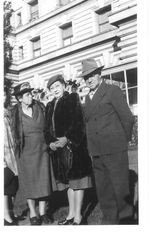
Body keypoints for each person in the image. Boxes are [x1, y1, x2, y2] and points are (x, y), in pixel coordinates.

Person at [81, 58, 134, 224]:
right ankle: (110, 221)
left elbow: (128, 118)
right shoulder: (86, 99)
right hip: (96, 151)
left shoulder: (112, 90)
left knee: (121, 189)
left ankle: (126, 221)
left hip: (115, 149)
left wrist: (121, 141)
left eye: (91, 75)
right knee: (104, 191)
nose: (89, 79)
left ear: (99, 74)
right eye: (86, 77)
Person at [45, 74, 92, 225]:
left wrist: (67, 138)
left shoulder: (72, 98)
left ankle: (78, 216)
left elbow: (78, 123)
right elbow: (46, 129)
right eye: (52, 88)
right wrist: (50, 143)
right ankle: (71, 215)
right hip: (59, 151)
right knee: (69, 185)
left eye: (57, 86)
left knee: (78, 184)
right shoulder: (49, 105)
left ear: (64, 86)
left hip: (75, 149)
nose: (55, 90)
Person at [11, 82, 51, 225]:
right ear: (20, 98)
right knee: (29, 183)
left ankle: (43, 212)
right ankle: (33, 214)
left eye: (31, 94)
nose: (31, 97)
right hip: (25, 153)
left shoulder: (40, 107)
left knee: (43, 182)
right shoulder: (15, 113)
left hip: (42, 150)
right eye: (27, 95)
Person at [4, 85, 18, 225]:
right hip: (3, 157)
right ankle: (6, 218)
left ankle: (10, 214)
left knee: (12, 187)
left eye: (4, 93)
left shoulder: (6, 112)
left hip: (11, 155)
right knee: (5, 189)